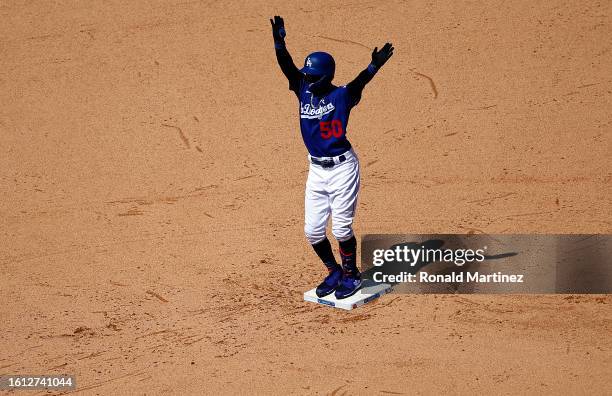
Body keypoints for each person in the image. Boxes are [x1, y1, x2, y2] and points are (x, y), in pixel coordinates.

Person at [270, 15, 394, 299]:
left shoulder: (342, 96)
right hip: (316, 170)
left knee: (340, 227)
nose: (307, 79)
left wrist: (374, 65)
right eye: (307, 75)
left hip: (342, 168)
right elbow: (287, 68)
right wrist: (279, 42)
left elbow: (360, 82)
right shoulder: (302, 89)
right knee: (312, 231)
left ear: (325, 76)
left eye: (313, 76)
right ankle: (334, 271)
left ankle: (352, 275)